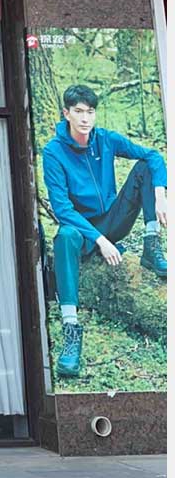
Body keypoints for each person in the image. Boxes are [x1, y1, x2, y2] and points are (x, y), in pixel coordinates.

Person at [43, 84, 167, 379]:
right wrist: (100, 240)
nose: (85, 118)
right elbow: (62, 210)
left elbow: (153, 156)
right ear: (66, 113)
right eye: (78, 111)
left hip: (112, 220)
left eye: (90, 111)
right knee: (64, 236)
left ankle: (151, 246)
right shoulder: (53, 152)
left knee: (145, 168)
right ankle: (71, 329)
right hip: (82, 231)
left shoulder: (106, 140)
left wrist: (160, 193)